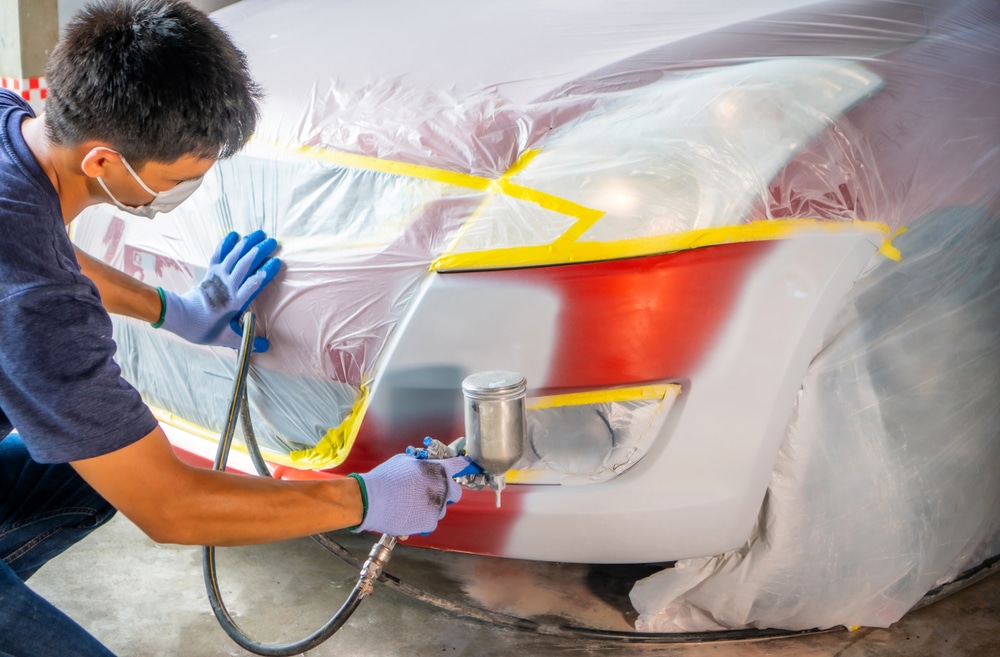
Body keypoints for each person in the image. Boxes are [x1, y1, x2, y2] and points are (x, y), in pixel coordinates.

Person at [0, 1, 470, 655]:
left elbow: (38, 250)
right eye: (182, 179)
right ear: (104, 161)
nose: (188, 191)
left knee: (94, 459)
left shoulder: (13, 131)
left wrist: (176, 310)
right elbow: (171, 507)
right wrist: (362, 498)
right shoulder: (39, 308)